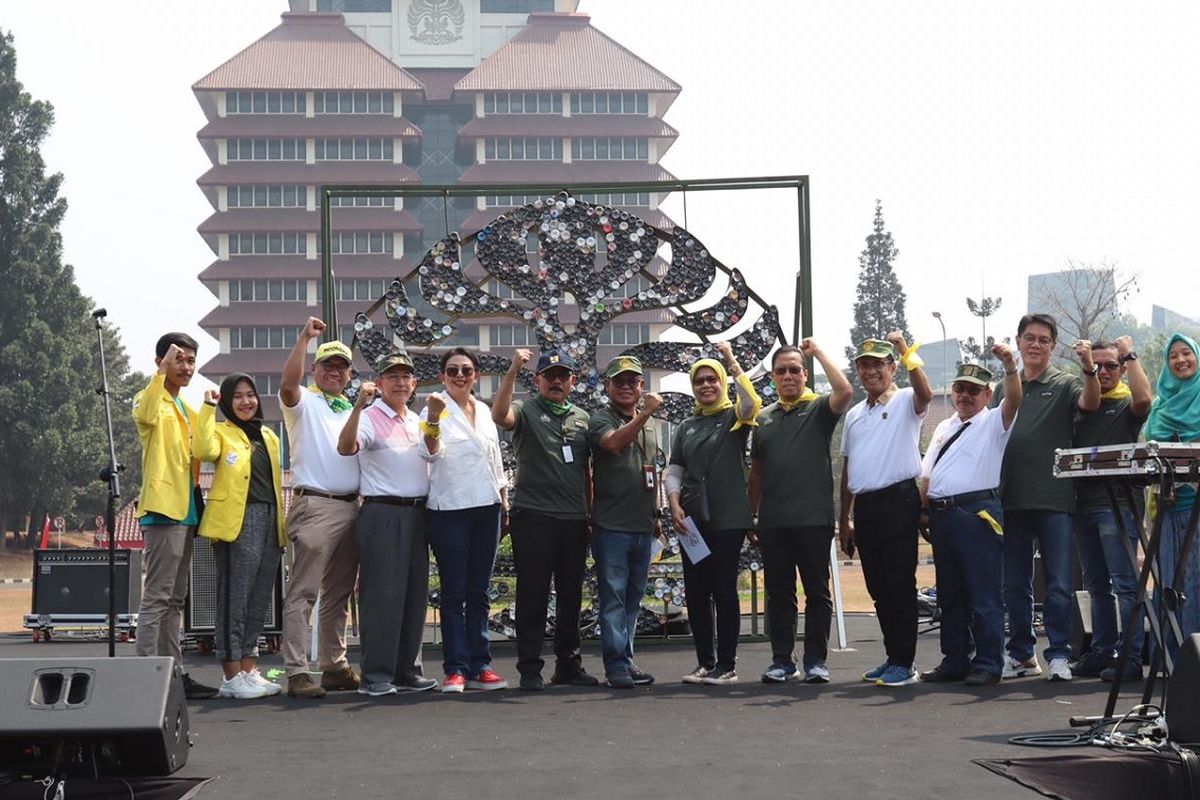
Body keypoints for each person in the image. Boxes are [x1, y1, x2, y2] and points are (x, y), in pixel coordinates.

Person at [993, 314, 1101, 682]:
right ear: (1018, 342)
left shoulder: (1066, 383)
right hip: (1010, 499)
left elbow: (1090, 403)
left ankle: (1058, 654)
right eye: (1029, 338)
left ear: (1053, 346)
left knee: (1057, 583)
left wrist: (1088, 367)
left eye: (1043, 339)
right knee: (1015, 585)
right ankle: (1022, 655)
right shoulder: (1004, 387)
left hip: (1055, 498)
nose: (1035, 344)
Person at [748, 339, 853, 684]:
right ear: (774, 378)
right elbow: (757, 473)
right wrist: (752, 516)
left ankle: (815, 661)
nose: (788, 376)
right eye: (782, 371)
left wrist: (819, 352)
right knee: (779, 594)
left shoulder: (820, 409)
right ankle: (782, 660)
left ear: (805, 375)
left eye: (795, 370)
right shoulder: (763, 419)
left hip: (813, 519)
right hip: (775, 522)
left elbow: (845, 390)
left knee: (817, 592)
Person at [492, 348, 597, 691]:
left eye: (562, 375)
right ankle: (530, 668)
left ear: (572, 381)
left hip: (573, 519)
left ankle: (568, 665)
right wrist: (513, 369)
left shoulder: (583, 417)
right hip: (533, 516)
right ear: (536, 380)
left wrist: (590, 515)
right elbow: (499, 415)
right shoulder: (526, 409)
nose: (556, 380)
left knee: (571, 596)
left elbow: (588, 472)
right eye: (549, 375)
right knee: (533, 595)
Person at [918, 349, 1021, 687]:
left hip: (977, 513)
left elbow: (1015, 398)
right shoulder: (944, 426)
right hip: (942, 514)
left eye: (974, 390)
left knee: (984, 594)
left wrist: (1009, 366)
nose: (965, 395)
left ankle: (990, 662)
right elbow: (928, 472)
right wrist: (924, 510)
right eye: (960, 388)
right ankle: (955, 659)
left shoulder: (994, 420)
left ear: (988, 394)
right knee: (950, 594)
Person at [337, 350, 435, 696]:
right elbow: (346, 447)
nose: (400, 382)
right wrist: (358, 407)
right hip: (383, 512)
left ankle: (408, 670)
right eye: (392, 376)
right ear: (379, 383)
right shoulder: (369, 416)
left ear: (414, 383)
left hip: (417, 513)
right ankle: (377, 675)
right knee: (382, 596)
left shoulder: (416, 419)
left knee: (413, 595)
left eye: (405, 376)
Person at [839, 332, 932, 688]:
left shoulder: (907, 399)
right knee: (877, 586)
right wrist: (844, 518)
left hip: (898, 500)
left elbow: (925, 393)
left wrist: (907, 350)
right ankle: (893, 655)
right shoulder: (855, 415)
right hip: (866, 505)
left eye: (878, 364)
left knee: (899, 583)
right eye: (864, 365)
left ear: (893, 368)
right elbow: (848, 469)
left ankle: (905, 663)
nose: (871, 372)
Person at [667, 341, 762, 686]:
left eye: (712, 379)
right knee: (696, 591)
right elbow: (675, 468)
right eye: (699, 381)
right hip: (692, 519)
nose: (706, 385)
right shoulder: (687, 426)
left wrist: (732, 361)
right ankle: (705, 662)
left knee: (724, 589)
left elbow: (751, 402)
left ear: (722, 382)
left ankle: (727, 664)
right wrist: (674, 503)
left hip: (727, 517)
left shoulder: (735, 417)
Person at [278, 318, 362, 699]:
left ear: (348, 374)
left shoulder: (350, 407)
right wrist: (305, 338)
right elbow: (287, 385)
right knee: (305, 591)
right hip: (315, 502)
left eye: (341, 367)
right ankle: (296, 670)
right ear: (315, 369)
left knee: (339, 592)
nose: (334, 372)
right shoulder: (304, 402)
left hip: (351, 504)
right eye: (327, 365)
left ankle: (333, 664)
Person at [132, 333, 218, 700]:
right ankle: (146, 675)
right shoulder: (149, 398)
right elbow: (145, 413)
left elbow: (206, 449)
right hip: (163, 510)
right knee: (157, 596)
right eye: (178, 359)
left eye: (190, 361)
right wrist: (159, 373)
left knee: (176, 599)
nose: (186, 367)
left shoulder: (188, 407)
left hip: (188, 510)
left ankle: (173, 673)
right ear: (160, 362)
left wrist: (212, 409)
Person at [419, 348, 509, 693]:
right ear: (443, 376)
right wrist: (434, 417)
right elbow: (428, 450)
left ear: (476, 376)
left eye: (467, 370)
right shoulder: (432, 408)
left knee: (480, 592)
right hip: (449, 510)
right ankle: (455, 667)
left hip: (486, 507)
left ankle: (480, 664)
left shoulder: (484, 411)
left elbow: (495, 458)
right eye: (453, 370)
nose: (460, 375)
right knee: (454, 593)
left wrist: (503, 497)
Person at [193, 374, 286, 699]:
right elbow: (203, 449)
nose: (246, 402)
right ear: (228, 402)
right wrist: (207, 408)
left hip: (271, 518)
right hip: (238, 519)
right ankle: (231, 676)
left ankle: (249, 669)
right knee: (235, 598)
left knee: (259, 599)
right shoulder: (221, 431)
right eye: (238, 397)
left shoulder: (269, 436)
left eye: (251, 396)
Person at [1071, 336, 1152, 682]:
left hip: (1117, 506)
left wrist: (1130, 352)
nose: (1103, 371)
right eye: (1097, 364)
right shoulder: (1081, 403)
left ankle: (1130, 656)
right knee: (1095, 584)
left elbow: (1145, 398)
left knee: (1124, 584)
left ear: (1122, 368)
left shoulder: (1126, 404)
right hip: (1082, 504)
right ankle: (1102, 651)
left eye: (1111, 365)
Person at [588, 355, 663, 689]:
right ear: (608, 386)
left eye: (632, 381)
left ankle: (626, 658)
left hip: (642, 524)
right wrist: (645, 412)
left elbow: (653, 470)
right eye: (619, 381)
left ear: (641, 386)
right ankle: (615, 664)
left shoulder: (650, 426)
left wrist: (657, 512)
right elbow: (613, 444)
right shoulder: (600, 419)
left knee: (633, 598)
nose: (626, 387)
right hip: (612, 525)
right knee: (614, 598)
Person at [1145, 333, 1200, 661]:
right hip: (1167, 509)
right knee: (1168, 582)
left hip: (1197, 509)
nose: (1180, 360)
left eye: (1187, 354)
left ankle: (1194, 663)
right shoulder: (1160, 405)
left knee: (1195, 583)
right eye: (1173, 356)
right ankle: (1169, 662)